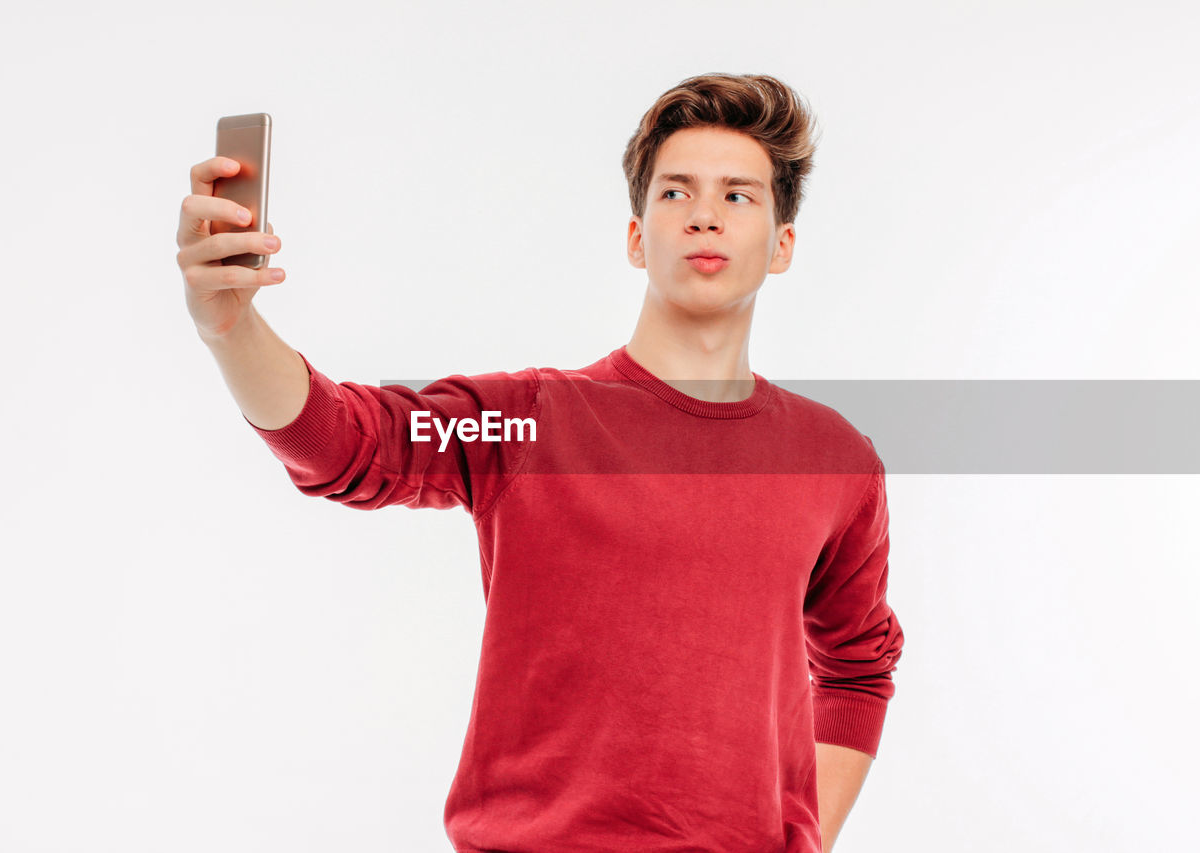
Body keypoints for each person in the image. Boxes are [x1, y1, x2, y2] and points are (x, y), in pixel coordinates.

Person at [174, 72, 905, 853]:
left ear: (782, 244)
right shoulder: (527, 422)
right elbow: (347, 441)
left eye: (737, 196)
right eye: (674, 193)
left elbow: (859, 668)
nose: (702, 215)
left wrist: (803, 836)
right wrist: (232, 328)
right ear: (635, 236)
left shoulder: (834, 459)